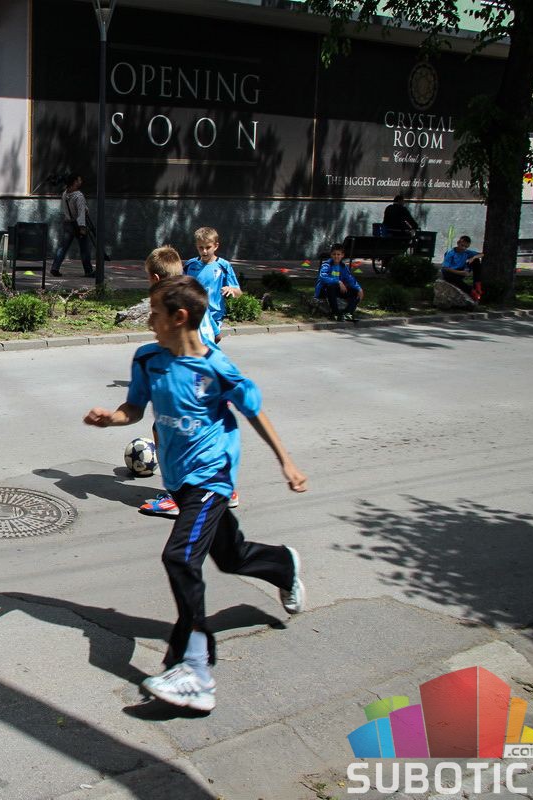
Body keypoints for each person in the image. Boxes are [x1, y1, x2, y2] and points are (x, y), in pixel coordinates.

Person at [83, 276, 307, 712]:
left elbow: (254, 411)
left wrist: (287, 461)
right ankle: (283, 565)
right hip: (179, 479)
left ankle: (196, 670)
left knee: (180, 557)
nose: (149, 321)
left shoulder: (217, 367)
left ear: (179, 317)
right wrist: (111, 418)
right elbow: (134, 407)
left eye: (155, 313)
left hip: (212, 476)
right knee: (232, 556)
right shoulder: (148, 359)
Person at [136, 247, 237, 519]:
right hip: (213, 380)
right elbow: (215, 335)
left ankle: (176, 497)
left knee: (169, 433)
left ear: (156, 279)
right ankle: (224, 489)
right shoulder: (193, 297)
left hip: (192, 384)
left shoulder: (172, 307)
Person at [184, 226, 241, 342]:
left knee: (207, 346)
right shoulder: (190, 265)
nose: (204, 251)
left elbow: (238, 292)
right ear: (196, 246)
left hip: (214, 316)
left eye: (208, 247)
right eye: (201, 247)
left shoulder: (223, 265)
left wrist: (231, 290)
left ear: (216, 246)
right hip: (193, 314)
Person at [50, 173, 94, 278]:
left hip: (68, 223)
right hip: (78, 224)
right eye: (79, 180)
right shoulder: (79, 196)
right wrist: (82, 227)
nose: (81, 182)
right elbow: (81, 213)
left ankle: (55, 268)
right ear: (74, 182)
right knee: (84, 249)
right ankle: (88, 271)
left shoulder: (65, 194)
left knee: (63, 247)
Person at [315, 243, 363, 321]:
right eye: (334, 254)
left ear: (342, 255)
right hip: (324, 290)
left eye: (338, 254)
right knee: (331, 286)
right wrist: (338, 282)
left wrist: (359, 288)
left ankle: (347, 314)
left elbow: (350, 279)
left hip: (336, 290)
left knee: (356, 292)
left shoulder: (343, 266)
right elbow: (323, 277)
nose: (336, 256)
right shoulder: (327, 264)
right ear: (331, 255)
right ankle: (335, 313)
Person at [441, 235, 484, 302]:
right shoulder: (450, 253)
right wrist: (460, 273)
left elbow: (482, 254)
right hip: (451, 272)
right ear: (458, 243)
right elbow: (445, 267)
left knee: (476, 260)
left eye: (466, 247)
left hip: (461, 271)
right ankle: (471, 291)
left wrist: (473, 258)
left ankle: (477, 284)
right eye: (462, 245)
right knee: (448, 274)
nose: (463, 248)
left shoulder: (466, 252)